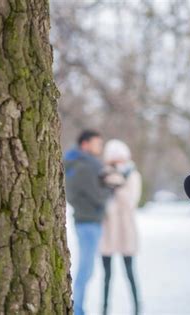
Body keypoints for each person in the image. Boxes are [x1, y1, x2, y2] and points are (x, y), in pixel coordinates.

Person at [64, 130, 124, 315]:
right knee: (85, 270)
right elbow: (97, 197)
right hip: (89, 221)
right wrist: (111, 188)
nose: (100, 147)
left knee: (86, 269)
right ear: (85, 144)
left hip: (85, 219)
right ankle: (78, 309)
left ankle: (78, 308)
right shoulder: (87, 165)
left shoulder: (78, 163)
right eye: (97, 143)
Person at [99, 139, 142, 315]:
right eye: (114, 160)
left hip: (126, 230)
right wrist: (111, 182)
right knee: (107, 276)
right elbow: (103, 203)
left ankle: (137, 308)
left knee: (130, 273)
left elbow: (131, 201)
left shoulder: (133, 175)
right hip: (108, 231)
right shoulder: (102, 175)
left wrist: (118, 185)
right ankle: (104, 309)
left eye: (120, 159)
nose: (118, 164)